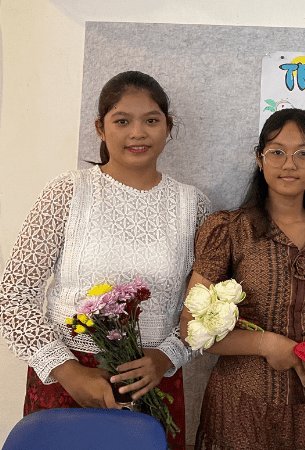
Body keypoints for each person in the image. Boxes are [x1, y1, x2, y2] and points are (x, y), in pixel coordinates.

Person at [0, 71, 210, 450]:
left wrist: (167, 357)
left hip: (152, 380)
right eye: (122, 121)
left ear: (168, 126)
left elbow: (207, 308)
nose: (137, 133)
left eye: (151, 120)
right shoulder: (68, 192)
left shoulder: (192, 206)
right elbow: (13, 296)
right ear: (100, 128)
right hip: (67, 379)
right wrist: (68, 372)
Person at [179, 108, 305, 450]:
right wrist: (265, 344)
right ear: (259, 159)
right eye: (277, 152)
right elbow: (191, 328)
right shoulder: (230, 230)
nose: (289, 164)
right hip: (241, 404)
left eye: (303, 153)